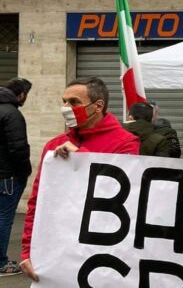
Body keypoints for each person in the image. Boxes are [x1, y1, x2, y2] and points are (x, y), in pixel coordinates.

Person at [20, 77, 140, 281]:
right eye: (64, 101)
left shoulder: (126, 143)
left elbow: (121, 197)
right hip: (59, 248)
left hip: (100, 249)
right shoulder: (54, 145)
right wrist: (27, 250)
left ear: (98, 106)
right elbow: (38, 202)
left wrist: (82, 159)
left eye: (74, 102)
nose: (65, 107)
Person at [0, 79, 31, 276]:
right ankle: (1, 263)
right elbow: (18, 149)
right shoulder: (12, 114)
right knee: (4, 218)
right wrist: (24, 171)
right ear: (21, 94)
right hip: (7, 177)